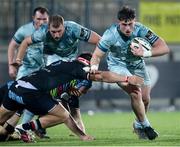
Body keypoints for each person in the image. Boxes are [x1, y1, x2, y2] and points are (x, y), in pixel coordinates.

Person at [0, 53, 143, 142]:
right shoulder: (79, 69)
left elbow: (52, 78)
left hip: (15, 88)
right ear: (88, 64)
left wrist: (82, 135)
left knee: (4, 134)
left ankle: (16, 129)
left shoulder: (63, 65)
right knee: (62, 114)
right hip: (30, 93)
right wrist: (127, 78)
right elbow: (102, 76)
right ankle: (23, 128)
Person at [13, 14, 101, 137]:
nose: (57, 35)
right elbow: (26, 41)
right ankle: (23, 127)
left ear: (64, 26)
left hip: (70, 61)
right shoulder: (43, 32)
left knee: (64, 98)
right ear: (48, 28)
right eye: (53, 32)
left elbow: (100, 41)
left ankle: (26, 128)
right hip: (52, 59)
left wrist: (94, 64)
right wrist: (18, 59)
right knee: (40, 93)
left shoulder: (74, 29)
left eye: (59, 31)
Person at [90, 6, 170, 140]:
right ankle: (147, 126)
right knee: (135, 91)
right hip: (118, 66)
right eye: (124, 24)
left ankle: (138, 124)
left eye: (130, 24)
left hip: (137, 65)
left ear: (135, 21)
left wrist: (145, 53)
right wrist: (93, 66)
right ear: (118, 22)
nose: (127, 28)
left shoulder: (142, 30)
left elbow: (164, 48)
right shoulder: (110, 34)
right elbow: (97, 55)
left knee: (145, 99)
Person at [7, 6, 50, 138]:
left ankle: (27, 129)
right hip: (26, 69)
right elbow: (12, 45)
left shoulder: (51, 30)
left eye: (44, 19)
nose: (42, 22)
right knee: (16, 99)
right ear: (33, 18)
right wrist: (11, 65)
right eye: (39, 19)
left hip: (42, 70)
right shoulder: (24, 30)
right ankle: (7, 127)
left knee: (39, 99)